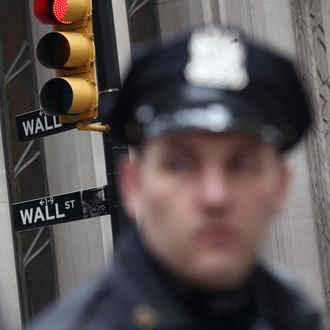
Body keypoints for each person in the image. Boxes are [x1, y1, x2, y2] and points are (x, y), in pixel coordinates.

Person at [27, 26, 324, 330]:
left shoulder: (297, 316)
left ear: (280, 186)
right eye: (181, 165)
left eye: (242, 165)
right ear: (133, 186)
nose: (215, 196)